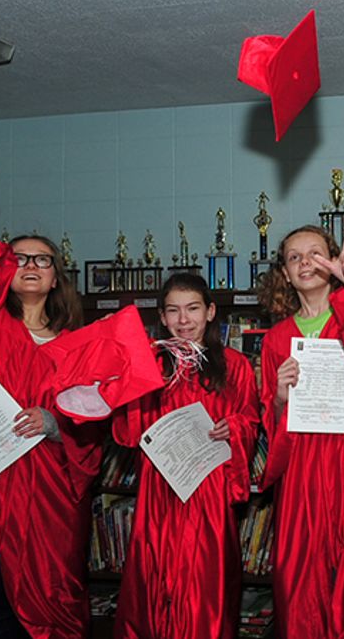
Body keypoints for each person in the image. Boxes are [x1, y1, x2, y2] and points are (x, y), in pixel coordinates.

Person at [0, 117, 100, 639]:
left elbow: (91, 430)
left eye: (43, 259)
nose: (30, 264)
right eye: (21, 257)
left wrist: (53, 423)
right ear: (6, 270)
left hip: (45, 492)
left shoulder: (79, 347)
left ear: (57, 275)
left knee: (47, 604)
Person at [257, 225, 344, 638]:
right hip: (302, 468)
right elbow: (269, 416)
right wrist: (280, 397)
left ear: (332, 261)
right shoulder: (277, 339)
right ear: (283, 272)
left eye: (315, 254)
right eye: (294, 257)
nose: (305, 263)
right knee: (301, 576)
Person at [112, 273, 259, 639]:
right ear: (161, 317)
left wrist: (234, 427)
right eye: (173, 311)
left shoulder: (234, 365)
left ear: (210, 312)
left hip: (209, 493)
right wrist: (129, 374)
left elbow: (250, 419)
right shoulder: (151, 364)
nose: (183, 320)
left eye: (192, 309)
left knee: (205, 588)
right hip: (159, 492)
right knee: (153, 584)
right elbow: (128, 434)